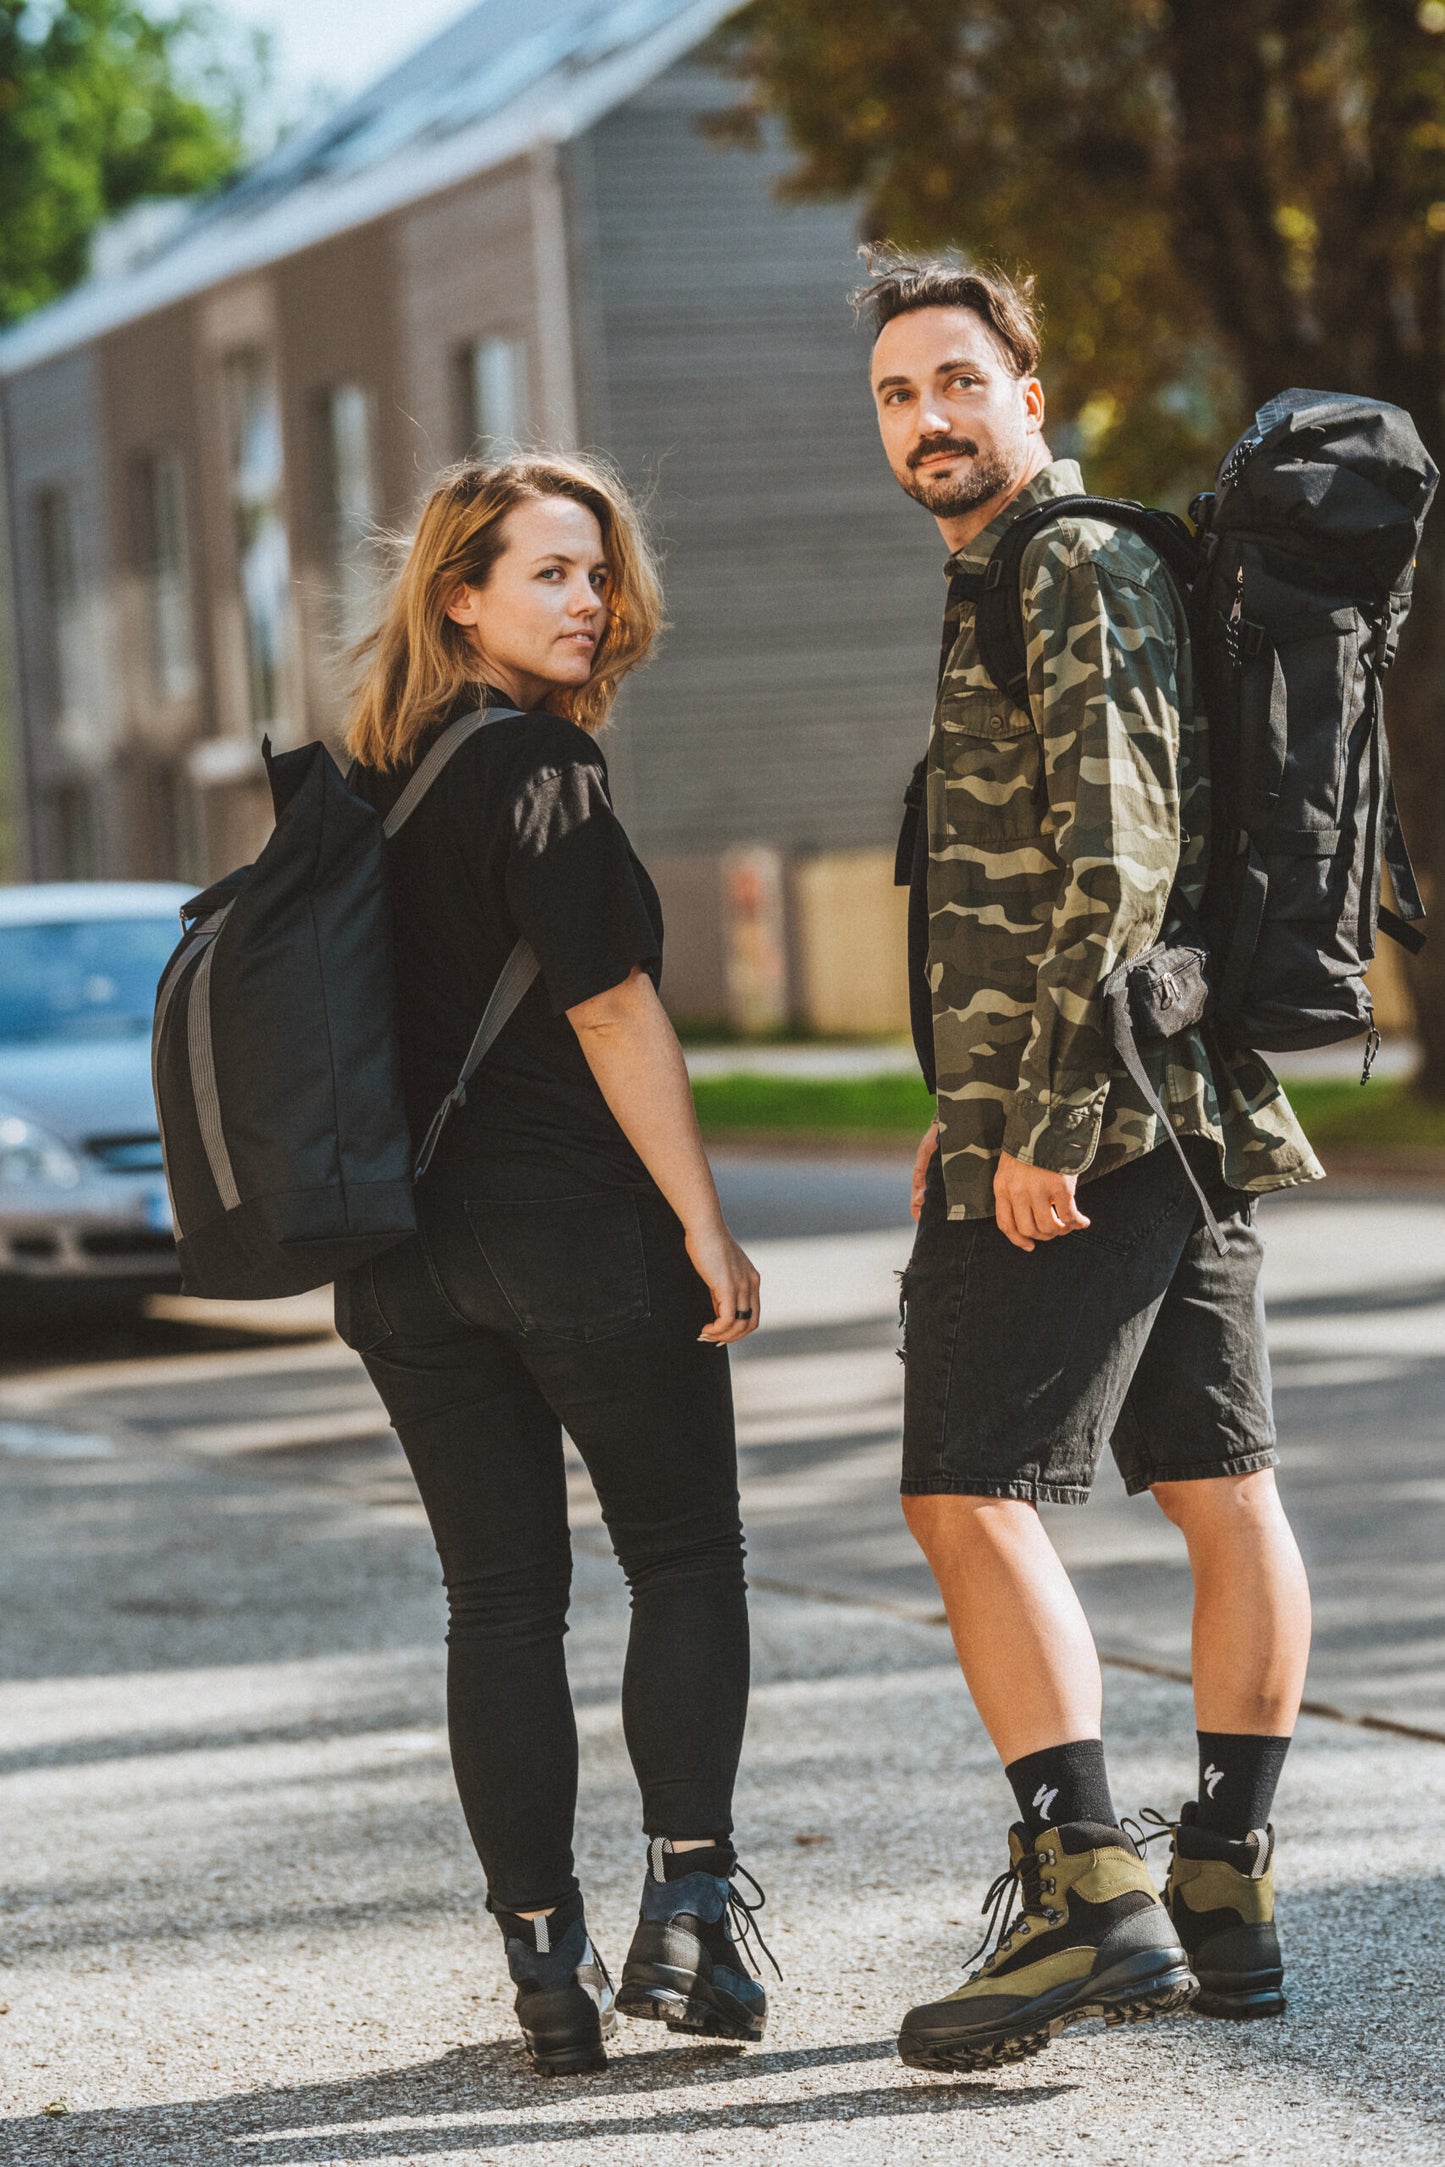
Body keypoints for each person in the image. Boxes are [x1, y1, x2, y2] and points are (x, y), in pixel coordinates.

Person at [858, 251, 1322, 2074]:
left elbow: (1115, 854)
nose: (928, 421)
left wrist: (1041, 1120)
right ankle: (1221, 1875)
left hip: (1099, 1115)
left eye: (957, 382)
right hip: (1156, 1100)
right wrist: (964, 1093)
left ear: (1028, 396)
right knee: (1220, 1483)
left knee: (964, 1492)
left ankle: (1084, 1892)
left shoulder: (1066, 563)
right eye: (897, 396)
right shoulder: (1030, 571)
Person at [339, 454, 772, 2077]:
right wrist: (702, 1223)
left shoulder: (361, 785)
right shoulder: (538, 772)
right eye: (547, 573)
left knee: (500, 1604)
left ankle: (542, 1967)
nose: (586, 599)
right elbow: (610, 1008)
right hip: (577, 1237)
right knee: (683, 1557)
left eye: (596, 571)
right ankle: (690, 1922)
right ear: (460, 595)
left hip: (401, 1262)